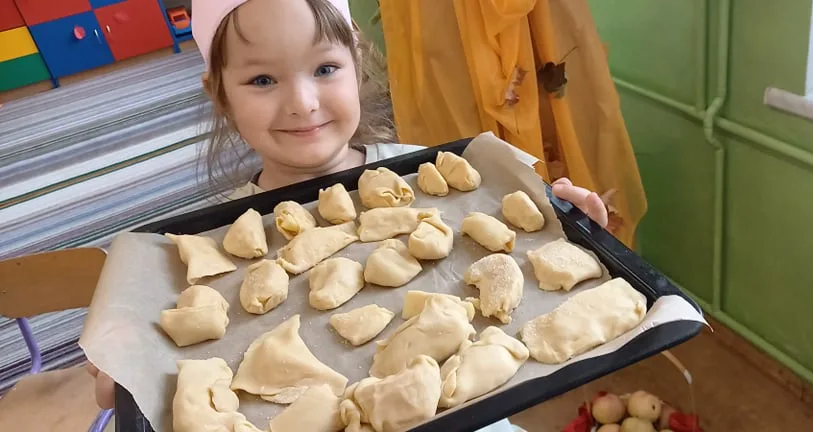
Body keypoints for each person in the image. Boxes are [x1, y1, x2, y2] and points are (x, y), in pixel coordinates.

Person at [85, 0, 608, 430]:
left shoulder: (430, 178)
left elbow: (542, 265)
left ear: (356, 59)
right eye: (263, 80)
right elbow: (132, 385)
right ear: (219, 93)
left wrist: (576, 227)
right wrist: (126, 370)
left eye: (325, 69)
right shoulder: (215, 237)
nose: (302, 102)